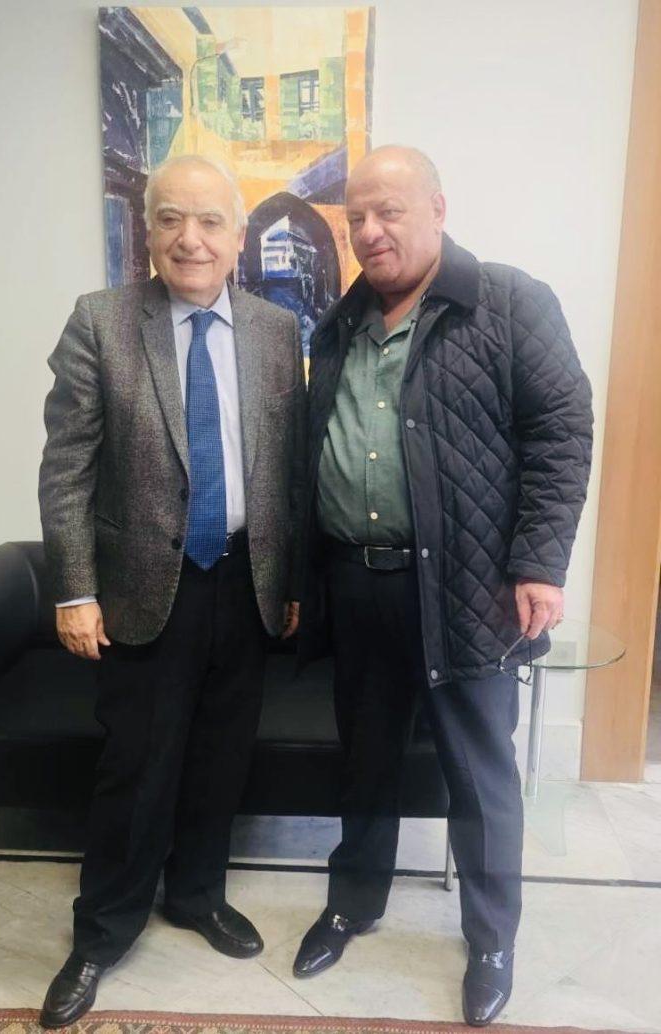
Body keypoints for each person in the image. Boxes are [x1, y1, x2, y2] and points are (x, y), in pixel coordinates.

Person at [294, 146, 592, 1027]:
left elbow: (562, 430)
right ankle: (353, 902)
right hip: (358, 581)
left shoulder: (508, 301)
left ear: (437, 209)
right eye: (357, 217)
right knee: (365, 760)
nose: (370, 231)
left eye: (389, 211)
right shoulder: (340, 322)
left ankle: (491, 939)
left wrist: (539, 561)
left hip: (470, 590)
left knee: (480, 773)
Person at [38, 155, 305, 1028]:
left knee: (220, 760)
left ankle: (196, 895)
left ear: (238, 236)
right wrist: (74, 591)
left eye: (210, 221)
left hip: (248, 583)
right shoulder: (101, 321)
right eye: (170, 219)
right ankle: (101, 934)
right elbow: (66, 469)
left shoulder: (275, 331)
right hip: (143, 589)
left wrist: (292, 579)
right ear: (147, 231)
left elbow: (288, 469)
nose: (190, 239)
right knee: (136, 771)